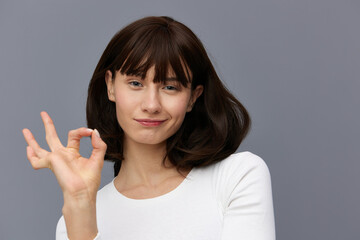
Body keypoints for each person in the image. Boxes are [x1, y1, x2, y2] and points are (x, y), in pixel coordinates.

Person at [22, 16, 275, 240]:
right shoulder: (75, 222)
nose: (151, 105)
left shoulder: (237, 178)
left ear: (193, 98)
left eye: (170, 87)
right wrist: (79, 204)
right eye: (135, 83)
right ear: (111, 86)